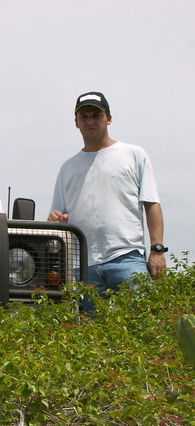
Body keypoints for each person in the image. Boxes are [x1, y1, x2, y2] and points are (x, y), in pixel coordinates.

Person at [48, 91, 166, 313]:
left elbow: (152, 204)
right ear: (76, 122)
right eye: (84, 116)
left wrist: (157, 250)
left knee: (144, 325)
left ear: (108, 118)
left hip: (127, 258)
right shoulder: (67, 168)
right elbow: (56, 216)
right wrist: (55, 218)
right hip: (82, 266)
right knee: (90, 338)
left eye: (96, 115)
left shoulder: (134, 154)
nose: (90, 121)